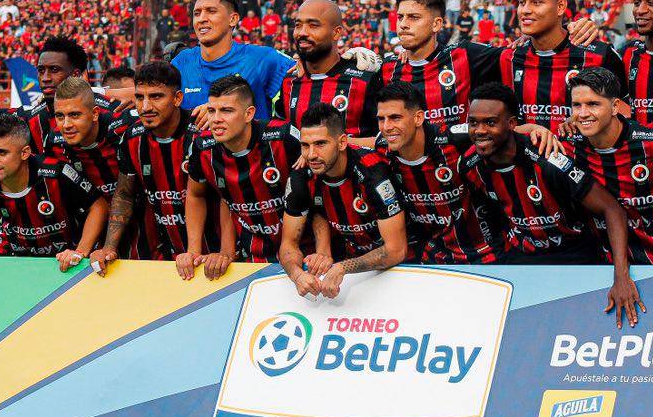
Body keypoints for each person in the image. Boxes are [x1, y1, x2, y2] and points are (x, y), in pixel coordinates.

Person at [459, 82, 643, 328]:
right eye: (474, 123)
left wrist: (621, 276)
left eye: (490, 123)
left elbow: (612, 209)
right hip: (522, 260)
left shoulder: (547, 158)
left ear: (512, 124)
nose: (480, 130)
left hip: (575, 257)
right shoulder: (469, 165)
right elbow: (488, 215)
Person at [381, 0, 598, 128]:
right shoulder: (387, 70)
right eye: (400, 17)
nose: (403, 24)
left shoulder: (465, 55)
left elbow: (525, 48)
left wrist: (573, 26)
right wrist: (356, 54)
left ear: (437, 24)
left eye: (413, 17)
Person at [89, 61, 219, 275]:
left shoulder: (203, 135)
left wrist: (225, 251)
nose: (146, 106)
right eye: (140, 97)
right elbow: (124, 195)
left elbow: (227, 197)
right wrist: (109, 247)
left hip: (213, 260)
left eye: (156, 96)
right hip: (167, 259)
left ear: (177, 98)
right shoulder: (132, 138)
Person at [564, 68, 653, 265]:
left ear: (615, 106)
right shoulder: (567, 149)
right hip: (608, 264)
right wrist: (536, 129)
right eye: (577, 105)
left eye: (593, 104)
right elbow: (513, 137)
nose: (583, 114)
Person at [281, 103, 407, 299]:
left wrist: (343, 267)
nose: (311, 154)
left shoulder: (372, 173)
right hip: (346, 270)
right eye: (305, 145)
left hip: (396, 270)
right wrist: (297, 276)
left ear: (341, 143)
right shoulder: (301, 178)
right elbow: (288, 244)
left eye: (320, 144)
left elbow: (396, 250)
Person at [0, 113, 108, 272]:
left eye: (2, 152)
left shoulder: (56, 174)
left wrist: (80, 251)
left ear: (24, 153)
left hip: (62, 259)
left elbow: (99, 207)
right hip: (13, 257)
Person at [185, 75, 301, 278]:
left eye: (227, 111)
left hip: (304, 256)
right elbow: (199, 195)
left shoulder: (283, 137)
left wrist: (324, 251)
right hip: (251, 260)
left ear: (249, 114)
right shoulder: (203, 147)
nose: (216, 119)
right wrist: (199, 251)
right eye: (212, 111)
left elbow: (318, 194)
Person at [374, 82, 502, 264]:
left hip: (486, 255)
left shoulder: (454, 140)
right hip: (433, 259)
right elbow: (356, 144)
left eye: (395, 118)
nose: (386, 127)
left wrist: (537, 130)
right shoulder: (382, 147)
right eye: (381, 119)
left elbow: (507, 134)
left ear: (418, 118)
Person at [499, 0, 625, 131]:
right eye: (522, 2)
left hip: (582, 156)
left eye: (536, 2)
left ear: (560, 6)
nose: (525, 10)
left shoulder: (599, 56)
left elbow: (626, 112)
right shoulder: (507, 58)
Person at [172, 0, 297, 124]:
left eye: (211, 11)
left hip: (251, 145)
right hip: (193, 145)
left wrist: (218, 110)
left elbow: (307, 76)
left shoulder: (261, 58)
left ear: (233, 19)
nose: (201, 19)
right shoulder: (181, 62)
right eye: (197, 13)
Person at [276, 0, 381, 137]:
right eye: (298, 25)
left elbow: (387, 142)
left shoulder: (364, 79)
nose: (302, 32)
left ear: (336, 33)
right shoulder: (289, 80)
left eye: (313, 25)